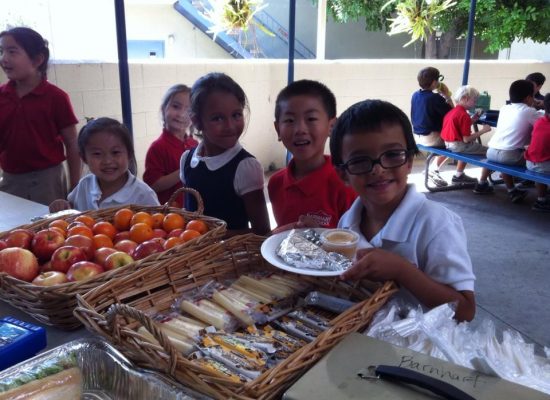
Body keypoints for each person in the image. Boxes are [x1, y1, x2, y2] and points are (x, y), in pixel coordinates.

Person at [330, 99, 476, 322]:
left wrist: (401, 271)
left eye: (392, 154)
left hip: (418, 348)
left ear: (409, 161)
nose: (378, 170)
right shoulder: (347, 224)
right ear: (342, 174)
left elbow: (465, 310)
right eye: (360, 160)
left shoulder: (437, 224)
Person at [179, 72, 270, 236]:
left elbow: (262, 232)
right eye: (218, 118)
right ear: (197, 121)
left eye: (236, 115)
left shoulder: (246, 167)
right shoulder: (187, 160)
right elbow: (189, 213)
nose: (230, 126)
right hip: (192, 258)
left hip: (232, 258)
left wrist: (209, 237)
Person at [0, 27, 80, 206]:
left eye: (12, 52)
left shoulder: (56, 97)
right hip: (10, 179)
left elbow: (72, 143)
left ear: (37, 59)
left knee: (49, 228)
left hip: (47, 180)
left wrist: (75, 187)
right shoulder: (1, 97)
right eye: (1, 51)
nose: (4, 58)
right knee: (14, 231)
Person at [268, 79, 356, 231]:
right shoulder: (275, 183)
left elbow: (356, 244)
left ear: (331, 126)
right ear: (278, 130)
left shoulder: (346, 185)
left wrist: (320, 236)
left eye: (311, 119)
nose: (300, 129)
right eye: (289, 120)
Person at [49, 118, 159, 211]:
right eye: (97, 154)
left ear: (129, 154)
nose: (107, 161)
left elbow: (159, 226)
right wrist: (62, 205)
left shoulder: (143, 195)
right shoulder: (85, 185)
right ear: (84, 158)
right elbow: (71, 208)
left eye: (115, 152)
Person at [487, 79, 544, 203]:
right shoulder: (529, 111)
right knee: (540, 161)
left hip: (491, 152)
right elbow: (544, 121)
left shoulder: (505, 108)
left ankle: (512, 190)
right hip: (510, 156)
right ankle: (542, 198)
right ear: (529, 98)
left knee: (507, 152)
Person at [144, 84, 198, 207]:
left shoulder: (194, 144)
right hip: (168, 217)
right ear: (164, 109)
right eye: (176, 106)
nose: (181, 114)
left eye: (189, 110)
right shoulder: (157, 147)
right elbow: (153, 186)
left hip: (192, 213)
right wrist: (184, 169)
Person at [440, 85, 494, 193]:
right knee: (492, 154)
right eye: (474, 100)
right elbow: (466, 139)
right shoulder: (463, 115)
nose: (475, 103)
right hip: (459, 145)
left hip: (448, 144)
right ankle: (482, 184)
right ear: (465, 98)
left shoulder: (453, 112)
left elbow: (460, 126)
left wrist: (472, 120)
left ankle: (459, 175)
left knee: (476, 148)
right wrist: (483, 130)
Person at [410, 66, 454, 188]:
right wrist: (447, 96)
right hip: (431, 137)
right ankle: (457, 174)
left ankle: (432, 170)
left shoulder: (415, 95)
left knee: (454, 141)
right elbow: (453, 114)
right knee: (459, 143)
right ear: (434, 82)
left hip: (417, 136)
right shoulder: (435, 98)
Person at [525, 93, 550, 212]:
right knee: (543, 163)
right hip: (542, 166)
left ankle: (541, 199)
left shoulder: (540, 121)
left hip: (530, 163)